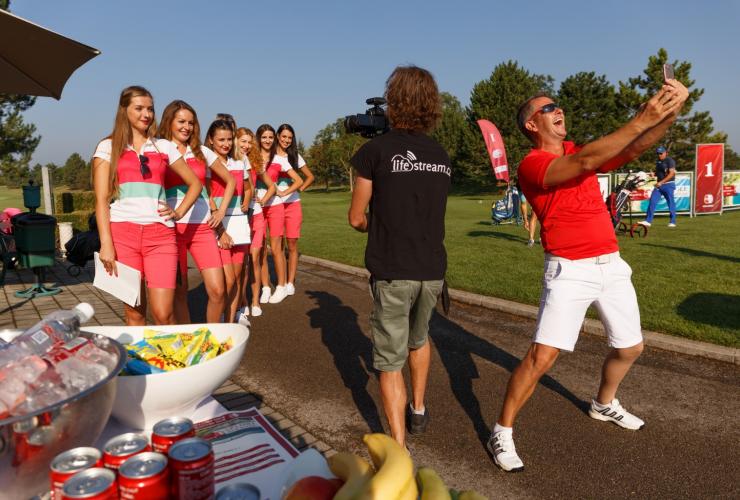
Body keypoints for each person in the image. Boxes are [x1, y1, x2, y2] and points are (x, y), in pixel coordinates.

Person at [486, 79, 689, 472]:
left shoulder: (578, 150)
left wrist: (670, 111)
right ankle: (502, 431)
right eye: (548, 108)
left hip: (610, 263)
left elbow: (634, 147)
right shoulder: (532, 164)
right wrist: (642, 117)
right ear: (532, 124)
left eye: (558, 105)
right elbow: (583, 164)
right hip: (569, 269)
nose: (558, 110)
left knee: (630, 347)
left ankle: (603, 403)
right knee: (542, 357)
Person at [348, 65, 450, 448]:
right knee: (419, 339)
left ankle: (400, 449)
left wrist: (374, 224)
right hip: (432, 268)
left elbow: (357, 217)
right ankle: (418, 409)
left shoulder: (374, 151)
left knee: (390, 362)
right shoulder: (440, 154)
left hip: (393, 269)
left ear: (394, 101)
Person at [93, 86, 202, 326]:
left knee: (163, 313)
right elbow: (101, 201)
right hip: (122, 236)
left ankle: (174, 351)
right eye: (139, 108)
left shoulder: (164, 146)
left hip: (161, 236)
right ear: (124, 110)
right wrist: (106, 244)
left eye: (150, 109)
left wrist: (179, 211)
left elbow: (195, 183)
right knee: (134, 312)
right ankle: (140, 352)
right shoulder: (107, 147)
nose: (147, 114)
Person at [158, 100, 235, 324]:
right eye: (181, 121)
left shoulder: (202, 151)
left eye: (191, 123)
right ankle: (186, 338)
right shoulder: (160, 148)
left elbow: (230, 180)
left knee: (218, 290)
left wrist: (220, 211)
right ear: (169, 122)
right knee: (180, 292)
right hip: (172, 228)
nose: (187, 127)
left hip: (202, 227)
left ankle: (211, 336)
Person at [204, 119, 252, 324]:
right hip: (219, 226)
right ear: (211, 140)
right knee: (229, 280)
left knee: (236, 280)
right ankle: (220, 321)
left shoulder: (240, 161)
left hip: (239, 223)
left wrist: (246, 201)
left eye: (229, 139)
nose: (226, 144)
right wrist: (221, 230)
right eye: (221, 140)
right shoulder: (207, 162)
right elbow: (207, 196)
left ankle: (230, 323)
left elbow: (247, 188)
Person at [254, 124, 303, 305]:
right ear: (258, 138)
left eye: (270, 137)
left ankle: (281, 286)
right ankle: (266, 287)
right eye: (264, 137)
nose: (267, 140)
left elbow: (298, 180)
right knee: (260, 248)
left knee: (276, 248)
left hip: (275, 206)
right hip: (257, 208)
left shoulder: (279, 159)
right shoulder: (251, 158)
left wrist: (283, 192)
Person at [237, 127, 275, 317]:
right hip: (238, 217)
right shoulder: (231, 162)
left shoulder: (254, 162)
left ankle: (255, 301)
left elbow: (272, 186)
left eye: (249, 142)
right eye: (243, 141)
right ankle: (243, 300)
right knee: (242, 262)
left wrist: (263, 199)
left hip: (256, 215)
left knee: (254, 258)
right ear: (236, 141)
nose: (246, 145)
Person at [275, 123, 315, 296]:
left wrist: (300, 188)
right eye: (284, 136)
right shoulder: (270, 155)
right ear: (277, 136)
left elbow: (310, 177)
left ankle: (290, 282)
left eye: (290, 138)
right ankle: (281, 282)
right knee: (278, 244)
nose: (286, 140)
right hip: (275, 205)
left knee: (291, 243)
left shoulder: (295, 156)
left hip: (292, 205)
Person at [639, 146, 677, 228]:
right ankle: (648, 221)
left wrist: (661, 182)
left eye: (661, 153)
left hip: (668, 184)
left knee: (670, 203)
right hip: (659, 185)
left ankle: (672, 221)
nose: (659, 155)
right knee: (652, 201)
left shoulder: (670, 161)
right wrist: (654, 174)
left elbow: (671, 174)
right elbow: (659, 172)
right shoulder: (658, 161)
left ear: (666, 153)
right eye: (658, 153)